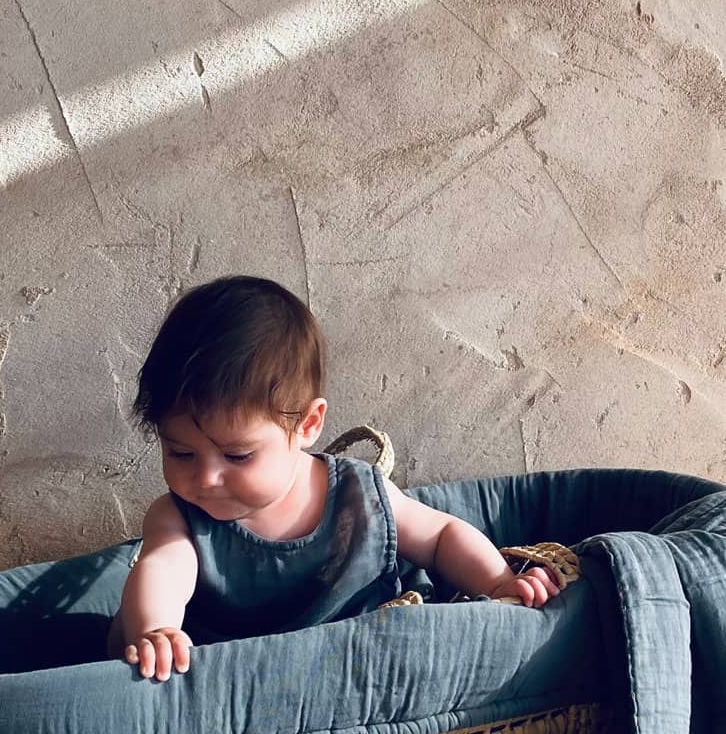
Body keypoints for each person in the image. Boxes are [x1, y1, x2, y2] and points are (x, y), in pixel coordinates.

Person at [108, 274, 564, 680]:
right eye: (180, 452)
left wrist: (497, 582)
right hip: (243, 692)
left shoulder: (358, 496)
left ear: (307, 425)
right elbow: (163, 569)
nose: (206, 477)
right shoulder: (179, 518)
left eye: (237, 455)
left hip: (364, 676)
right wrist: (156, 629)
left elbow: (442, 535)